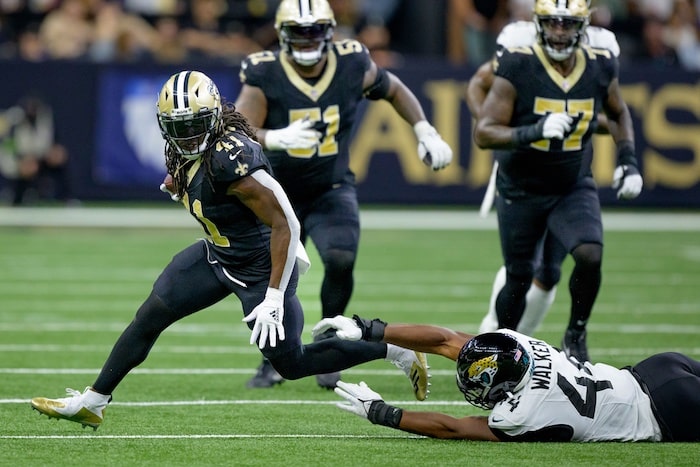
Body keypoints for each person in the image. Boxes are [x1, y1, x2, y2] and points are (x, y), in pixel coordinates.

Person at [28, 70, 429, 431]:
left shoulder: (230, 158)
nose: (186, 137)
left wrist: (274, 294)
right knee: (149, 317)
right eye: (177, 128)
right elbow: (190, 166)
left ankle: (392, 349)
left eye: (194, 126)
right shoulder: (188, 147)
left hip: (260, 266)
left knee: (291, 364)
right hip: (217, 256)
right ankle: (94, 402)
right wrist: (179, 182)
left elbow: (286, 223)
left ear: (215, 117)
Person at [234, 0, 452, 389]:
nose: (307, 40)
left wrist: (424, 129)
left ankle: (329, 340)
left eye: (314, 31)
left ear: (331, 31)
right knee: (277, 278)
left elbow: (394, 89)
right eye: (298, 32)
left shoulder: (351, 62)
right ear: (282, 35)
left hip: (331, 186)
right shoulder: (266, 71)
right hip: (277, 194)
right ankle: (274, 359)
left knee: (339, 258)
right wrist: (274, 137)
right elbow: (242, 127)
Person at [471, 0, 643, 362]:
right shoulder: (518, 58)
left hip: (571, 182)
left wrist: (627, 160)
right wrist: (531, 129)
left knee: (589, 254)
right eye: (552, 23)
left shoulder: (600, 59)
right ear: (537, 23)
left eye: (567, 24)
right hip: (521, 185)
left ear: (584, 25)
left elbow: (616, 111)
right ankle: (502, 347)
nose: (559, 31)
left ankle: (575, 333)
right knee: (520, 275)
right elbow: (484, 130)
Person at [312, 314, 700, 442]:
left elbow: (455, 428)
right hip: (659, 368)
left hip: (665, 412)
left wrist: (383, 413)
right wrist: (370, 328)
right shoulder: (518, 346)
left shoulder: (520, 414)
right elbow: (447, 341)